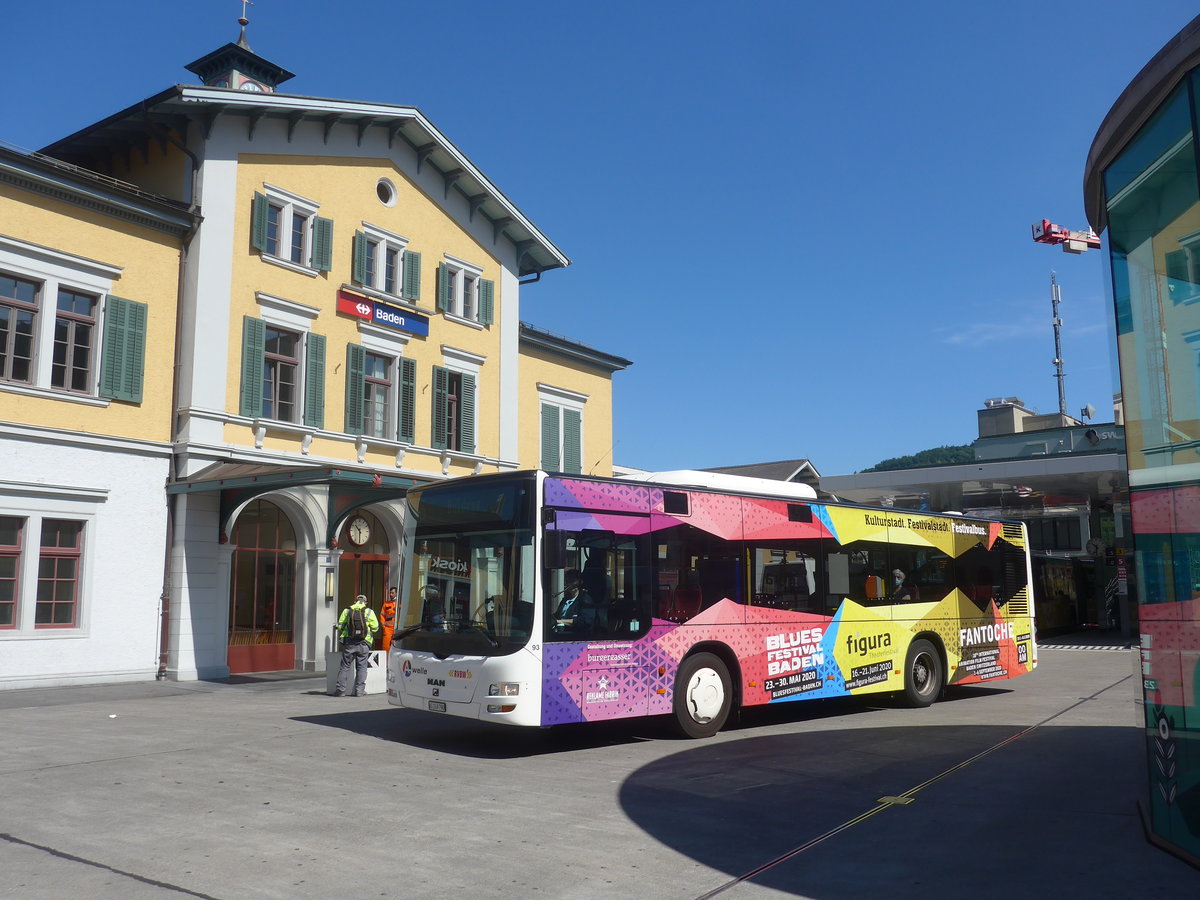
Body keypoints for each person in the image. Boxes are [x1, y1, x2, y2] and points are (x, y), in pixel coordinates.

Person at [333, 594, 380, 697]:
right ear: (365, 602)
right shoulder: (369, 612)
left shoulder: (347, 610)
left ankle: (340, 690)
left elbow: (340, 626)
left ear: (355, 601)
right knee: (362, 667)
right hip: (364, 643)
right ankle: (360, 691)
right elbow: (376, 628)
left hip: (349, 643)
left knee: (345, 666)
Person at [380, 586, 397, 651]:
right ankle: (386, 658)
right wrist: (384, 627)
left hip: (398, 628)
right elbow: (382, 616)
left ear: (396, 593)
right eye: (390, 593)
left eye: (392, 593)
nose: (391, 594)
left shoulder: (399, 603)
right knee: (386, 646)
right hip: (388, 628)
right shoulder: (386, 604)